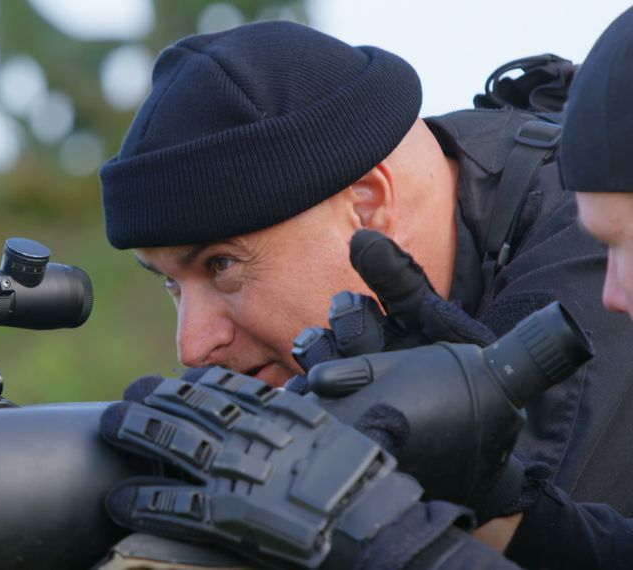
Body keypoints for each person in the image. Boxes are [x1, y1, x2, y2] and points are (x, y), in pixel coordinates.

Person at [98, 8, 633, 568]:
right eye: (171, 285)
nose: (192, 346)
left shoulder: (599, 256)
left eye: (222, 265)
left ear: (369, 205)